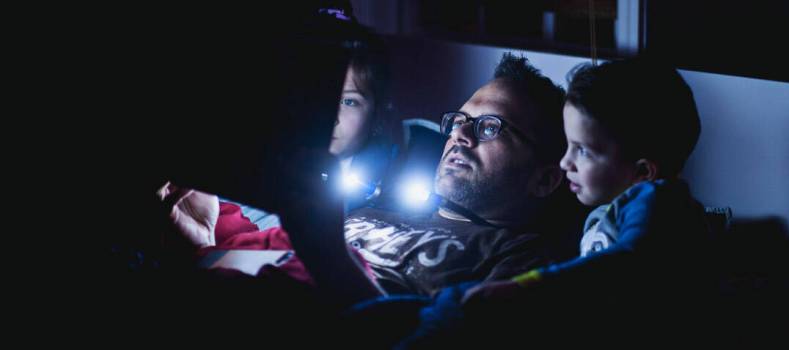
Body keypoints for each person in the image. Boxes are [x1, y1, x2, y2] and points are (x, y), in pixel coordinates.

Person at [162, 53, 583, 307]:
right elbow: (274, 253)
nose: (458, 134)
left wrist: (331, 260)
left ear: (545, 180)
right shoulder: (378, 207)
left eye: (491, 127)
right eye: (458, 120)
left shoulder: (521, 260)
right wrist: (206, 241)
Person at [390, 57, 717, 348]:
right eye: (459, 121)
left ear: (642, 172)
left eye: (582, 150)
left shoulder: (657, 203)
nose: (565, 163)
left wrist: (525, 287)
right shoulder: (605, 216)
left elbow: (620, 264)